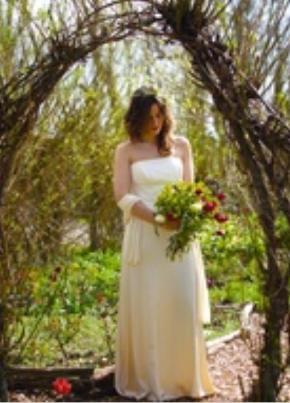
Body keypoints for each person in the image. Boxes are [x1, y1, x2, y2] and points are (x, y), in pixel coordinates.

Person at [112, 87, 216, 401]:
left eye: (159, 115)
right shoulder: (126, 150)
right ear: (136, 117)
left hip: (180, 239)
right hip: (145, 237)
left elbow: (191, 192)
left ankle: (185, 379)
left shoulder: (181, 146)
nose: (155, 122)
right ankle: (152, 381)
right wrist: (158, 218)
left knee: (181, 302)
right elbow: (123, 197)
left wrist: (188, 214)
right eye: (148, 116)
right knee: (150, 305)